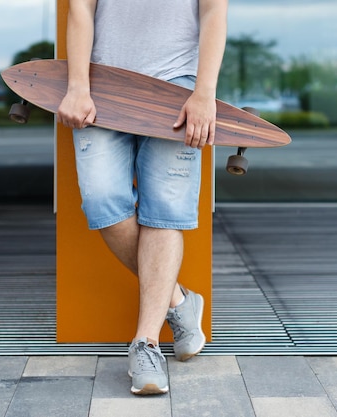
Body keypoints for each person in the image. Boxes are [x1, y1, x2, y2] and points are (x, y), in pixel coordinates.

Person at [57, 0, 228, 395]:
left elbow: (213, 12)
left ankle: (146, 344)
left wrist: (205, 93)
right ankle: (178, 300)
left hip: (178, 86)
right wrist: (77, 86)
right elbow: (80, 9)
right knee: (101, 199)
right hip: (100, 86)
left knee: (164, 212)